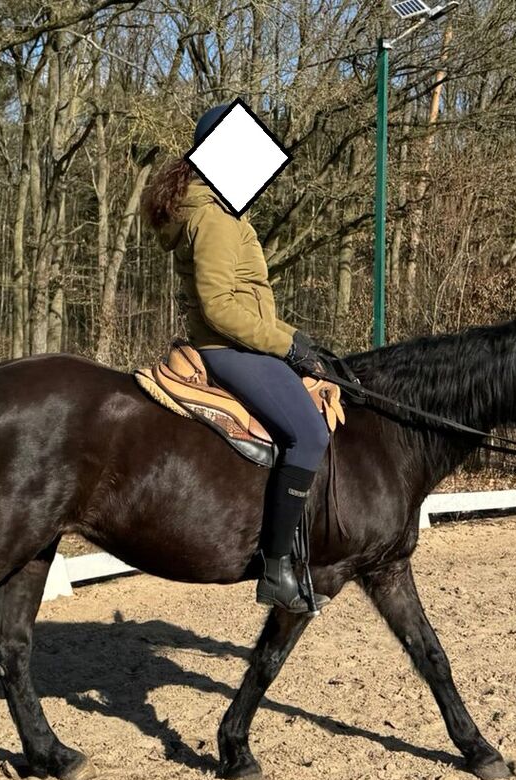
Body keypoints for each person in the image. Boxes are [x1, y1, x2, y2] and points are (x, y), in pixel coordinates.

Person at [141, 103, 339, 614]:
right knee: (309, 434)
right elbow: (221, 308)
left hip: (241, 341)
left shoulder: (216, 210)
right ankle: (276, 569)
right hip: (228, 347)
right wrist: (286, 345)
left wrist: (295, 338)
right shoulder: (214, 218)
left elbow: (246, 303)